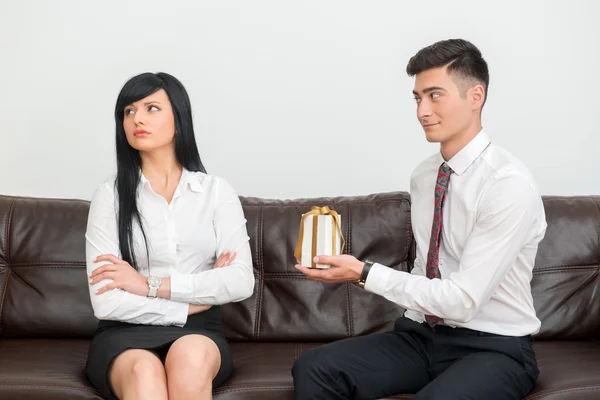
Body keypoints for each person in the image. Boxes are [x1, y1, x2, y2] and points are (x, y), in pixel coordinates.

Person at [292, 39, 546, 399]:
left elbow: (462, 300)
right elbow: (427, 267)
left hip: (494, 347)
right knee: (314, 368)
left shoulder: (507, 185)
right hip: (421, 337)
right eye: (417, 98)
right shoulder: (425, 176)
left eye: (434, 95)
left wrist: (363, 273)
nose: (422, 111)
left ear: (476, 96)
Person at [84, 72, 254, 400]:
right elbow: (106, 301)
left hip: (199, 334)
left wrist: (146, 285)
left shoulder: (215, 192)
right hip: (124, 335)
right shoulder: (110, 197)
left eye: (151, 108)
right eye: (128, 111)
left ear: (179, 118)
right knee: (143, 372)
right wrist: (195, 303)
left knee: (189, 359)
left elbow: (240, 281)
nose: (137, 119)